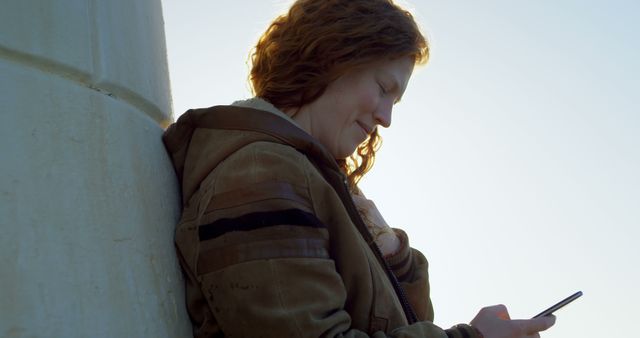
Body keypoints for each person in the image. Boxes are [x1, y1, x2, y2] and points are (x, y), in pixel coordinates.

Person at [162, 0, 557, 337]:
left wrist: (392, 252)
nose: (386, 119)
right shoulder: (259, 174)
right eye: (385, 88)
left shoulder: (305, 176)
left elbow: (408, 323)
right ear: (333, 57)